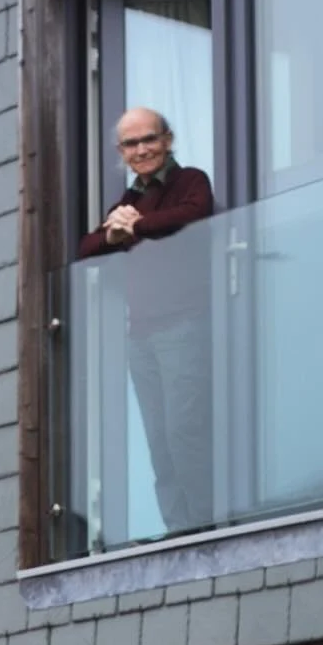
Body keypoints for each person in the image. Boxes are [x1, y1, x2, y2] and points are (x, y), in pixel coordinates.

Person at [79, 109, 215, 537]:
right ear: (121, 152)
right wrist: (116, 234)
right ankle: (179, 529)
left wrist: (132, 228)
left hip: (184, 324)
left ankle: (205, 526)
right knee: (159, 440)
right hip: (141, 334)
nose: (141, 150)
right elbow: (87, 246)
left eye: (148, 139)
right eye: (130, 144)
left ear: (168, 139)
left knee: (184, 431)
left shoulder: (189, 181)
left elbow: (191, 213)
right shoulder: (127, 201)